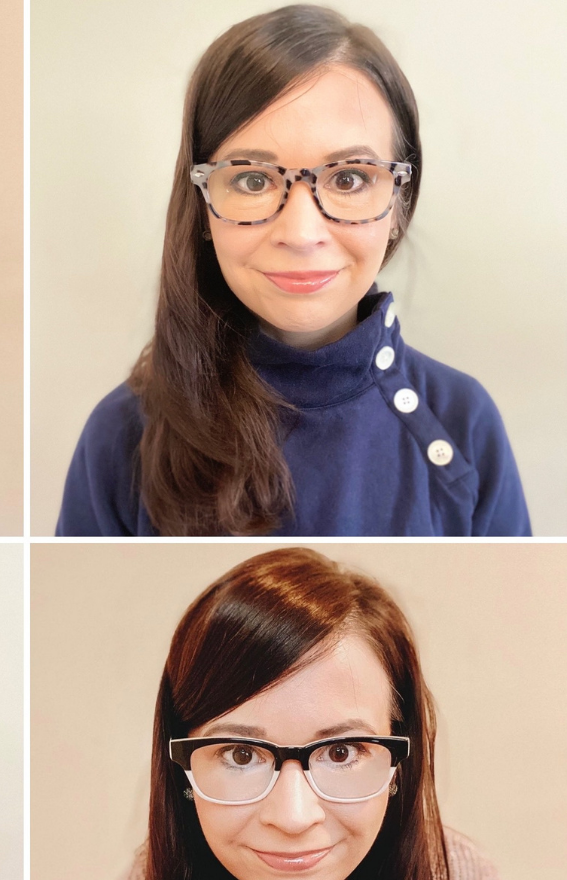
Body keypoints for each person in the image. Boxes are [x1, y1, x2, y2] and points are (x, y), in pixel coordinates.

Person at [57, 5, 529, 537]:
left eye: (349, 178)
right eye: (254, 180)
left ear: (400, 201)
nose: (301, 234)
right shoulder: (122, 435)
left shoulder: (462, 424)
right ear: (203, 205)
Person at [105, 548, 503, 880]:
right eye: (241, 755)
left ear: (399, 764)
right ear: (183, 769)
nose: (293, 818)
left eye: (342, 752)